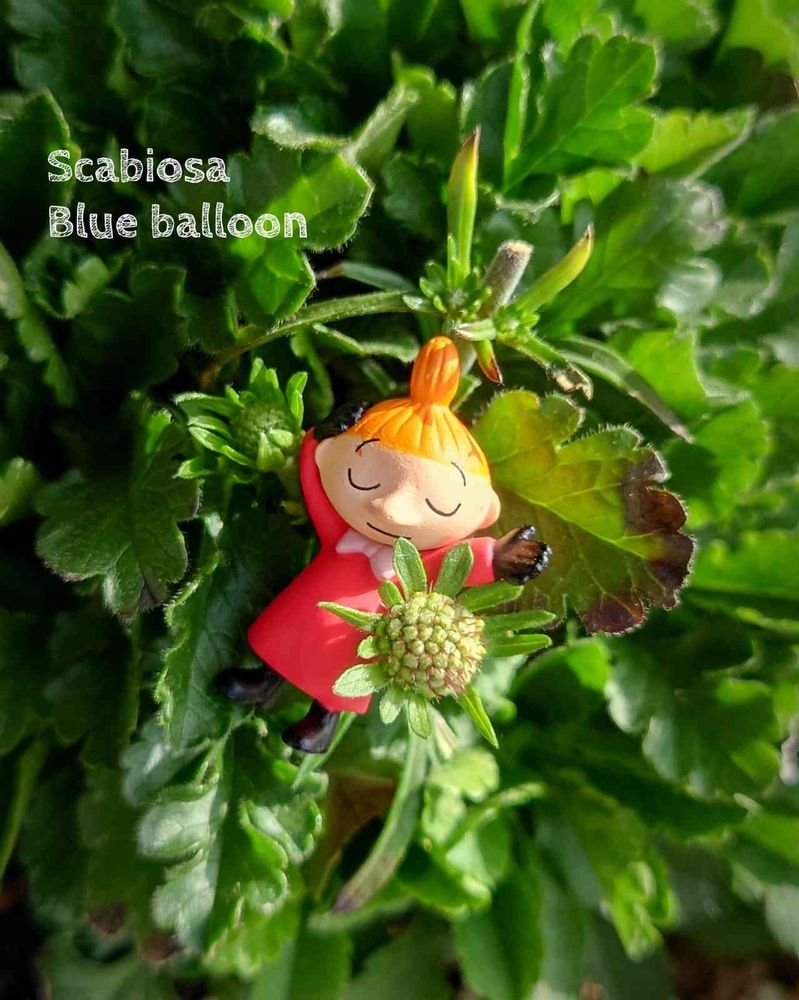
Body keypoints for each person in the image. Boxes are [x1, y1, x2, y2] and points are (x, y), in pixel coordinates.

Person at [216, 337, 551, 753]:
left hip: (371, 638)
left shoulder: (415, 566)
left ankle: (323, 719)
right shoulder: (341, 535)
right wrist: (319, 439)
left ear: (484, 510)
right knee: (286, 640)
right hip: (307, 613)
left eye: (436, 505)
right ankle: (265, 679)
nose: (392, 508)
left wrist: (498, 558)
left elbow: (458, 561)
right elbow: (316, 487)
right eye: (365, 481)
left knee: (342, 675)